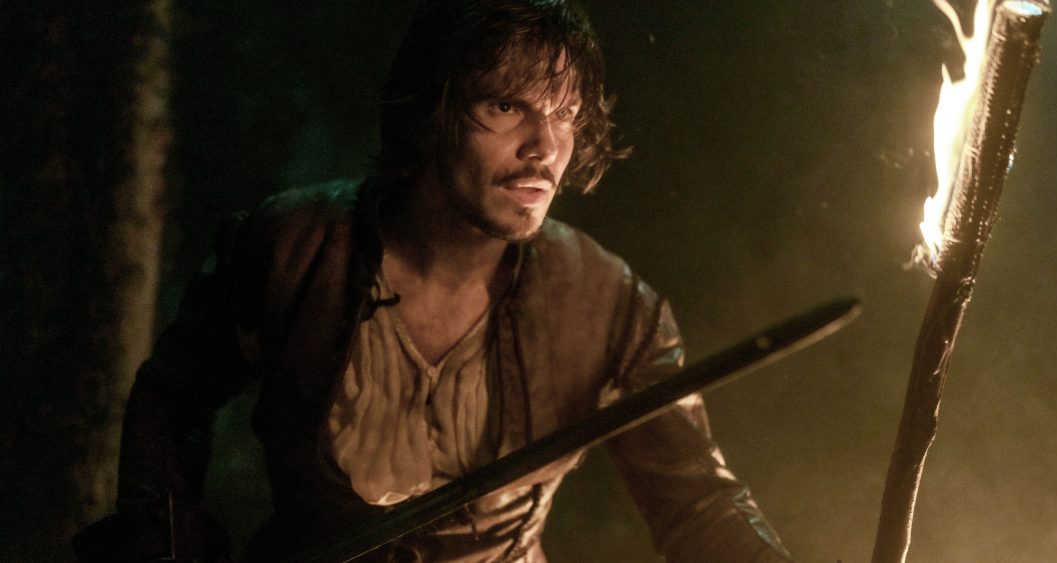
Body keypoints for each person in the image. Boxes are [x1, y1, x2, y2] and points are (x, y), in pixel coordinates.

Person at [76, 1, 794, 561]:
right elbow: (173, 396)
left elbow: (697, 504)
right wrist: (164, 542)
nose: (545, 148)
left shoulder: (607, 304)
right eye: (506, 106)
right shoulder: (292, 250)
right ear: (430, 111)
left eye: (566, 115)